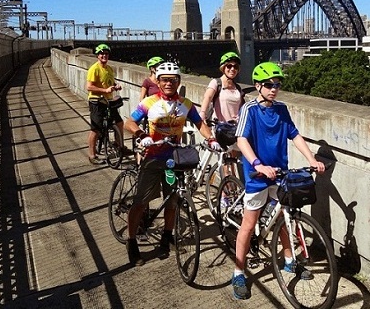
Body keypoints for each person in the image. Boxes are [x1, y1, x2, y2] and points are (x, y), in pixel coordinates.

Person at [232, 61, 325, 300]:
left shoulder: (282, 109)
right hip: (257, 176)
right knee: (249, 225)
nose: (274, 89)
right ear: (257, 86)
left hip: (280, 173)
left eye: (277, 84)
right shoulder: (249, 109)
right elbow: (242, 140)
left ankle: (289, 260)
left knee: (285, 219)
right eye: (269, 85)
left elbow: (294, 135)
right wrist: (258, 165)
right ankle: (238, 272)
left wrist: (312, 158)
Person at [124, 62, 221, 266]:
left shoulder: (185, 104)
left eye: (173, 79)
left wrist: (211, 138)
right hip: (152, 158)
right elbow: (129, 122)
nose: (169, 83)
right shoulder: (149, 102)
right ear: (158, 82)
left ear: (178, 81)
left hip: (172, 161)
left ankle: (167, 237)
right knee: (141, 202)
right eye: (164, 79)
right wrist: (141, 134)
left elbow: (199, 123)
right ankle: (132, 242)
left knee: (172, 200)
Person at [199, 51, 245, 176]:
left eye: (235, 66)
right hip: (221, 127)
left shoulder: (237, 88)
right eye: (229, 66)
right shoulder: (216, 83)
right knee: (226, 162)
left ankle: (233, 188)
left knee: (234, 161)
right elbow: (207, 97)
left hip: (234, 128)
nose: (232, 69)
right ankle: (226, 192)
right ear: (223, 67)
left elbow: (241, 108)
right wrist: (202, 114)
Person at [86, 43, 129, 164]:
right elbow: (89, 87)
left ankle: (119, 145)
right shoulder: (94, 69)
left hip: (108, 101)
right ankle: (92, 155)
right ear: (97, 56)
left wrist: (116, 86)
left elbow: (110, 83)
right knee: (96, 129)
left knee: (119, 123)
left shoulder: (109, 68)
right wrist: (105, 90)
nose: (104, 55)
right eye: (101, 54)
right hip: (96, 101)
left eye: (106, 53)